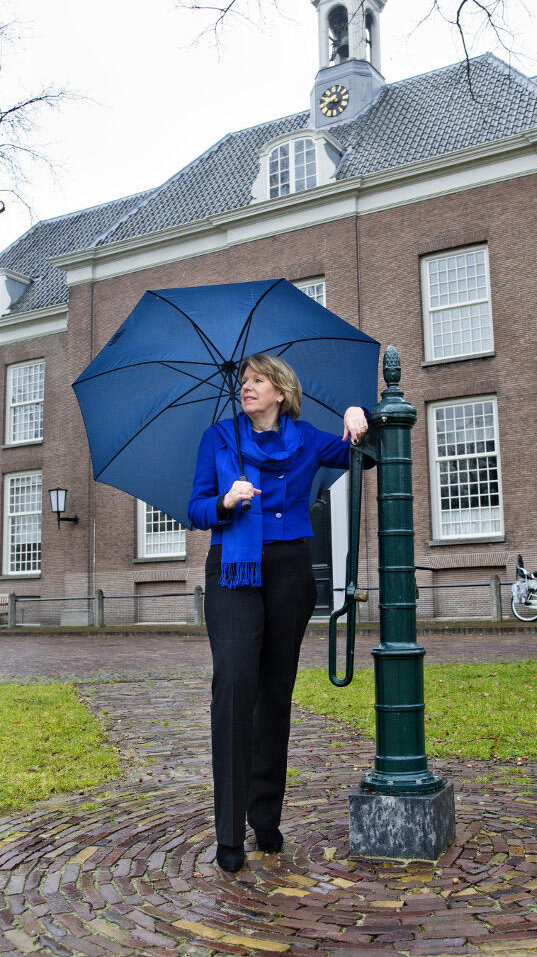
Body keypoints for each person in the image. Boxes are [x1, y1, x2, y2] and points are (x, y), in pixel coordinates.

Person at [188, 352, 369, 874]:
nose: (247, 387)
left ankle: (265, 816)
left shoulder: (309, 438)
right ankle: (229, 832)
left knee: (273, 696)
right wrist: (225, 502)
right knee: (234, 688)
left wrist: (359, 417)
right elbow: (194, 507)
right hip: (233, 572)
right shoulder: (219, 439)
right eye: (243, 381)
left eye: (257, 380)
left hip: (291, 573)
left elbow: (365, 455)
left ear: (281, 391)